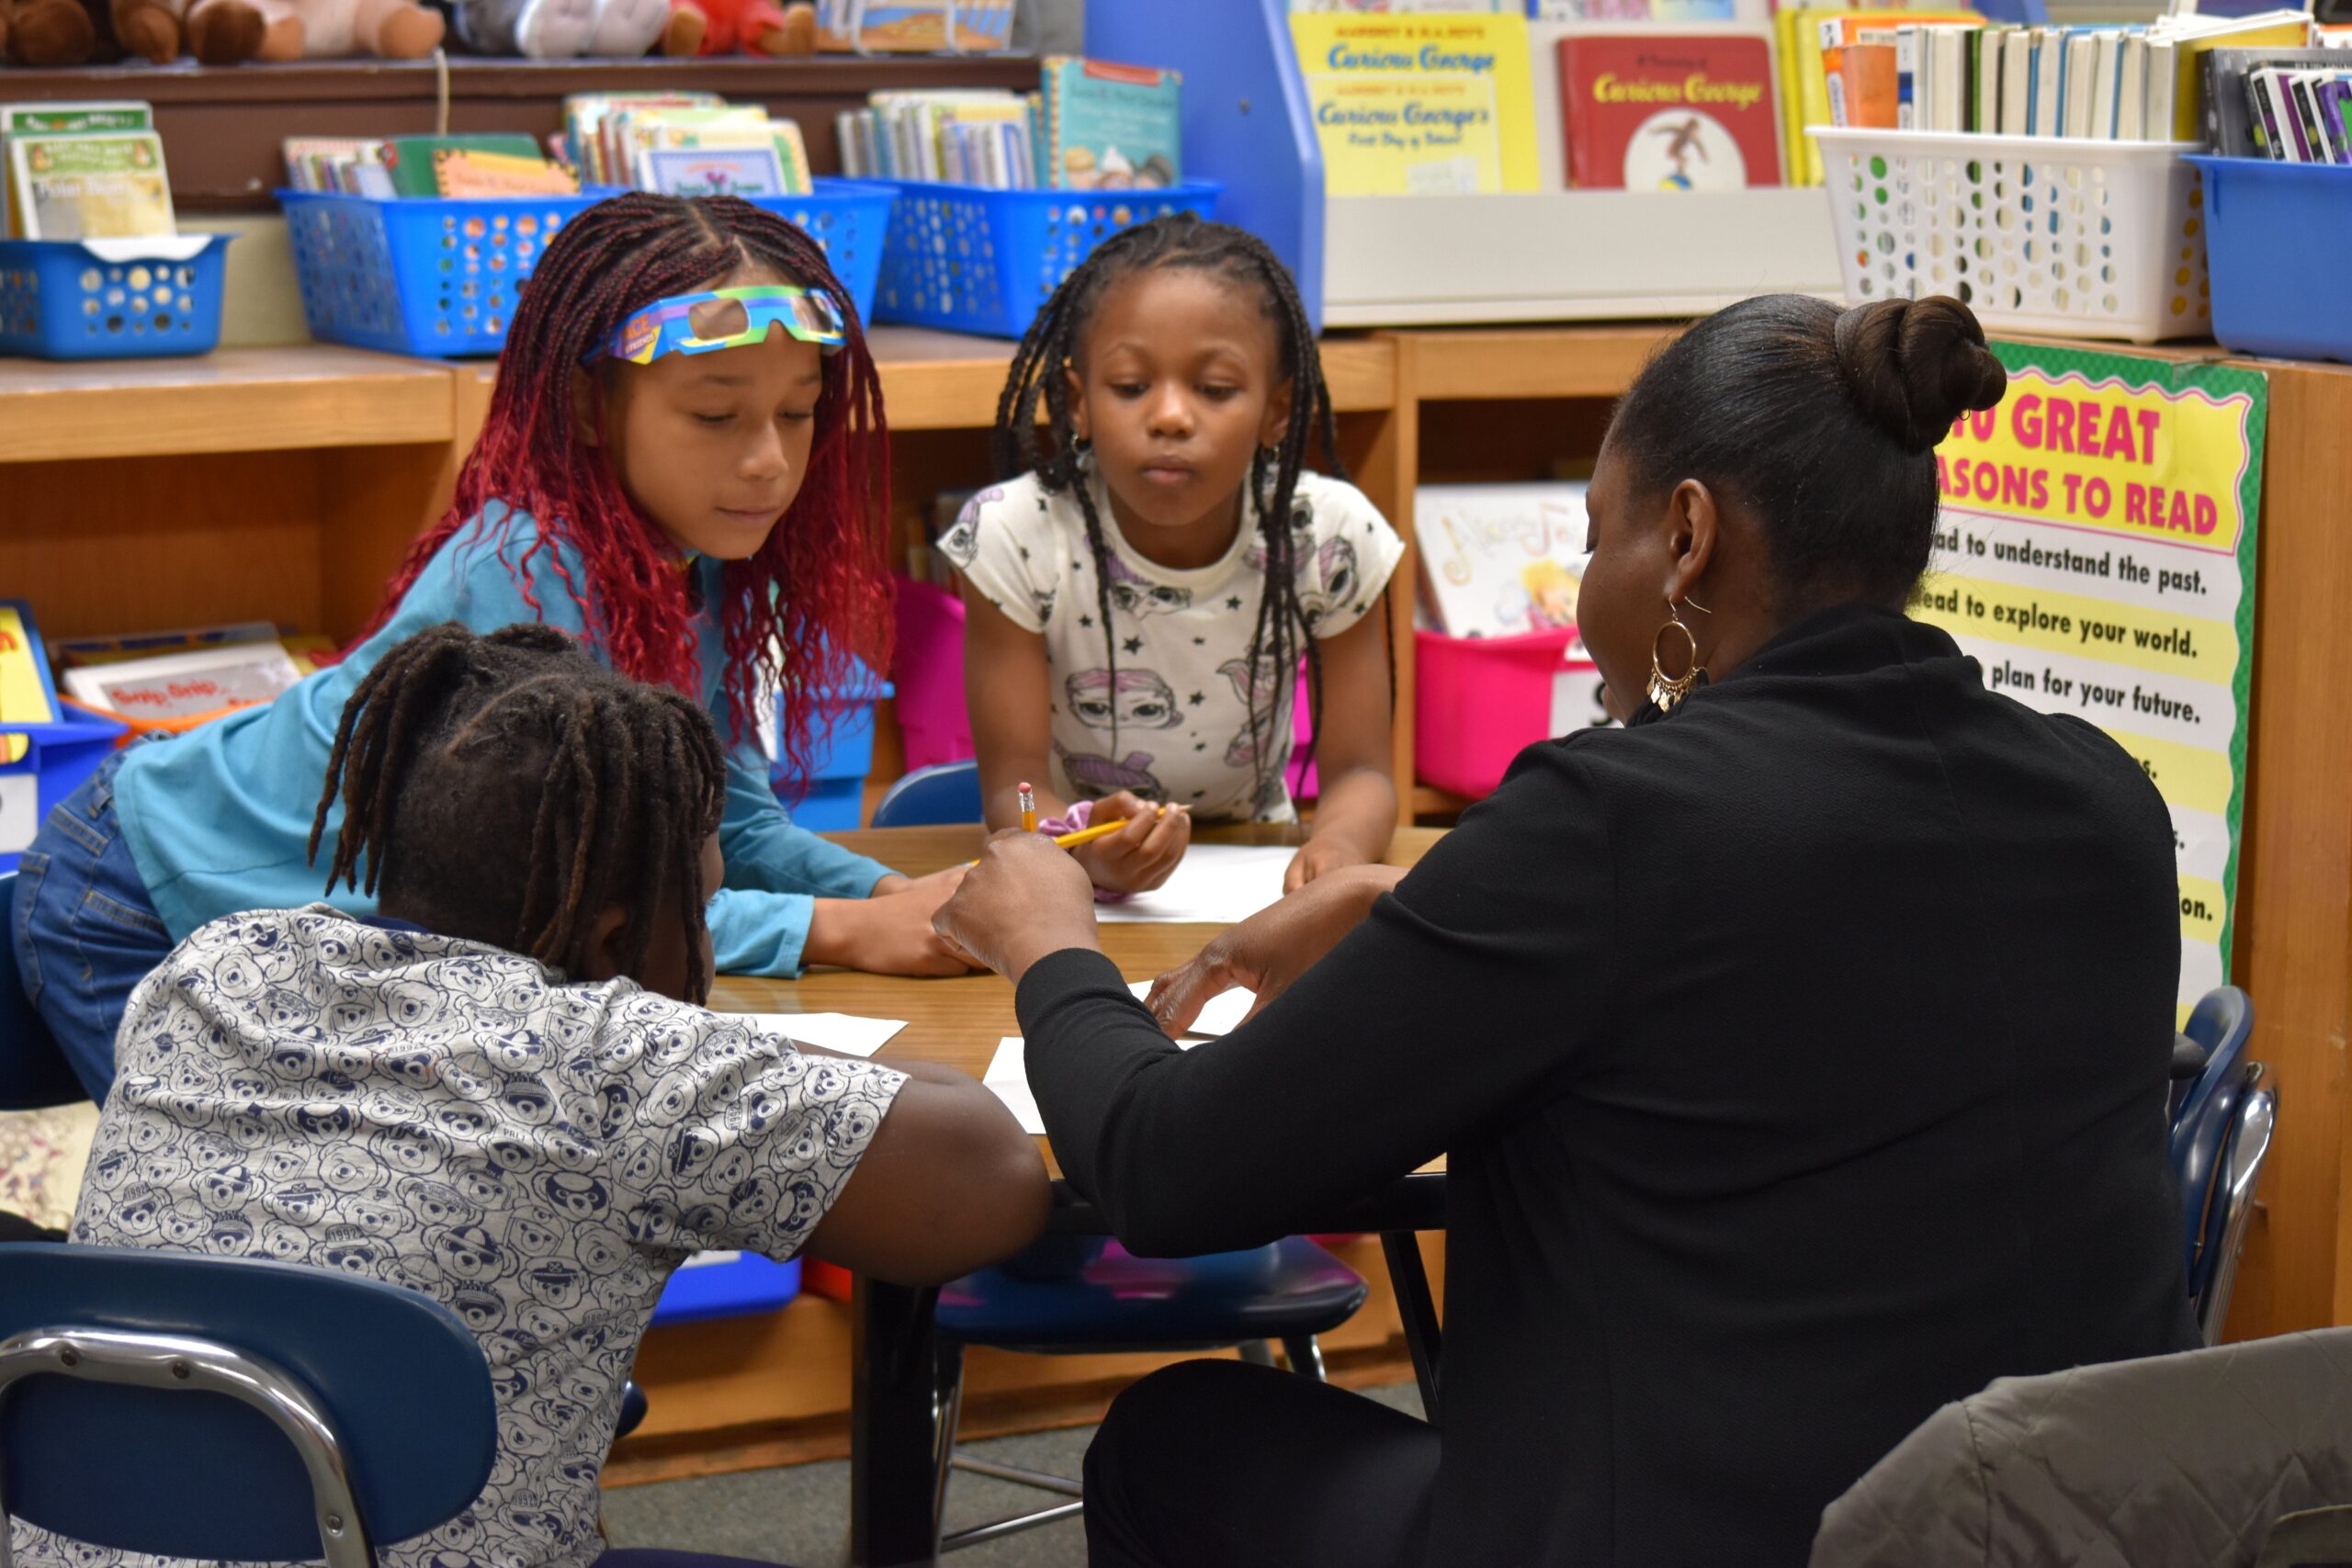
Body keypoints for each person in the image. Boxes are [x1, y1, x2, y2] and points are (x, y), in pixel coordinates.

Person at [934, 295, 2200, 1567]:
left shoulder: (1613, 822)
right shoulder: (2105, 797)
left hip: (1688, 1529)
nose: (1590, 587)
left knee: (1173, 1436)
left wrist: (1054, 943)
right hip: (2058, 1533)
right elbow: (1819, 982)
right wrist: (1419, 907)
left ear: (1690, 535)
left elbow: (1164, 1167)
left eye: (1601, 537)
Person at [13, 622, 1049, 1568]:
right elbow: (992, 1185)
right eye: (698, 907)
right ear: (612, 937)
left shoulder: (205, 973)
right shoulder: (611, 1064)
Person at [14, 194, 974, 1105]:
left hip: (288, 920)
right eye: (717, 416)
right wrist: (844, 928)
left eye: (797, 413)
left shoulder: (690, 566)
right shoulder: (521, 576)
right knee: (241, 1223)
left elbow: (736, 828)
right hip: (144, 892)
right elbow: (559, 902)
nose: (768, 457)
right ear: (590, 408)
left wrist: (901, 896)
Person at [951, 213, 1405, 897]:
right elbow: (1014, 795)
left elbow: (1361, 773)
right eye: (1131, 386)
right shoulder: (1013, 535)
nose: (1169, 416)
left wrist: (1338, 845)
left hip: (1258, 870)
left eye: (1215, 389)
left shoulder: (1328, 537)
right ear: (1078, 402)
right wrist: (1081, 854)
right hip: (1072, 875)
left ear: (1277, 412)